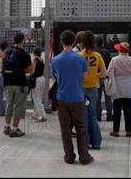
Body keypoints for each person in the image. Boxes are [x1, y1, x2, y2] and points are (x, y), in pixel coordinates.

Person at [51, 30, 94, 165]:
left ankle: (69, 157)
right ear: (74, 41)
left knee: (65, 128)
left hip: (62, 98)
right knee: (80, 127)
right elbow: (85, 78)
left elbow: (56, 76)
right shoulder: (80, 58)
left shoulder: (55, 60)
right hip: (77, 97)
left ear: (62, 42)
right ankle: (84, 157)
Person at [78, 31, 106, 150]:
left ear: (82, 42)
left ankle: (86, 142)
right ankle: (96, 142)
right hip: (93, 88)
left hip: (81, 88)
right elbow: (104, 74)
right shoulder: (97, 56)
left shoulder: (79, 56)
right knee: (93, 114)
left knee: (83, 116)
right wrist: (95, 75)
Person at [3, 32, 33, 138]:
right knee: (19, 106)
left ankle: (7, 127)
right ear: (22, 41)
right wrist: (22, 70)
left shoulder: (8, 52)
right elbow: (30, 70)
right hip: (20, 83)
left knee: (9, 104)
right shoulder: (24, 54)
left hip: (8, 82)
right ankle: (15, 128)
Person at [108, 42, 131, 137]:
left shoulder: (114, 59)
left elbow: (108, 72)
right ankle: (128, 131)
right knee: (128, 111)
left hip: (117, 87)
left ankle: (116, 130)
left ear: (119, 50)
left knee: (117, 110)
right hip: (129, 86)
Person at [95, 36, 113, 122]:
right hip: (105, 75)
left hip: (96, 76)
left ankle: (98, 115)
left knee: (97, 97)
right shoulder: (106, 52)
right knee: (108, 96)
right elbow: (109, 64)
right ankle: (109, 115)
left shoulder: (94, 52)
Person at [30, 47, 47, 122]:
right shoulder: (42, 60)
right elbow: (43, 71)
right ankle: (35, 114)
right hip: (42, 78)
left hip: (36, 79)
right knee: (39, 97)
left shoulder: (35, 60)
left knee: (36, 98)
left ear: (34, 52)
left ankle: (42, 115)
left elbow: (32, 71)